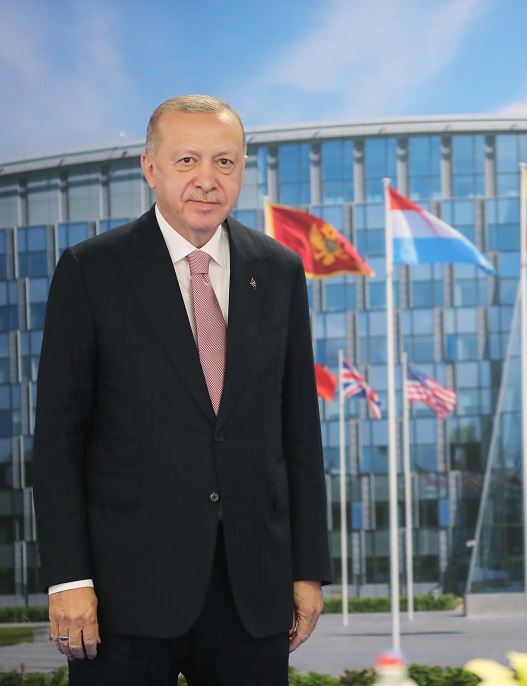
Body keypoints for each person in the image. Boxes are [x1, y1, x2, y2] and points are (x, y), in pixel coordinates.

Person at [33, 94, 331, 684]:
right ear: (150, 167)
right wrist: (69, 578)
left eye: (224, 162)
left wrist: (307, 569)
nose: (207, 179)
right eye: (187, 160)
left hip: (253, 589)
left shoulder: (279, 270)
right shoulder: (92, 270)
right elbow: (58, 440)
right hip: (123, 594)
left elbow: (299, 431)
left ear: (243, 169)